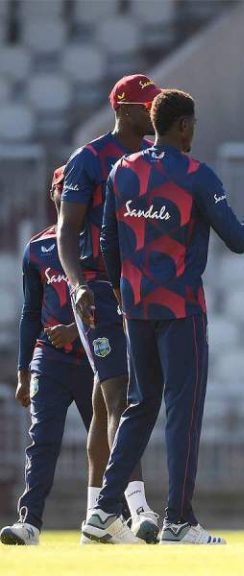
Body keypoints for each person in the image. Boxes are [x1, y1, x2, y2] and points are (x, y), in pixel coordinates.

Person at [81, 89, 244, 544]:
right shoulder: (197, 175)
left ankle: (102, 512)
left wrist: (123, 291)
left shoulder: (120, 171)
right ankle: (178, 520)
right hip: (181, 309)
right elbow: (240, 239)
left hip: (136, 308)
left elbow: (107, 244)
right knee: (182, 414)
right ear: (184, 125)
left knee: (139, 406)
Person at [57, 74, 160, 542]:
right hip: (98, 289)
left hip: (138, 289)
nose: (153, 113)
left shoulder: (155, 160)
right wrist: (76, 284)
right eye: (146, 105)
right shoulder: (89, 159)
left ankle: (96, 515)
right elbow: (66, 229)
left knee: (104, 403)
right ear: (123, 109)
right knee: (121, 394)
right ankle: (137, 509)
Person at [0, 168, 95, 546]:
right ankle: (30, 523)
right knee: (42, 439)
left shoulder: (98, 244)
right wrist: (23, 370)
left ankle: (108, 517)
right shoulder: (37, 248)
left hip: (92, 358)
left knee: (105, 440)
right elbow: (30, 314)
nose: (68, 194)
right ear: (54, 195)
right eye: (62, 189)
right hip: (50, 360)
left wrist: (78, 329)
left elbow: (111, 299)